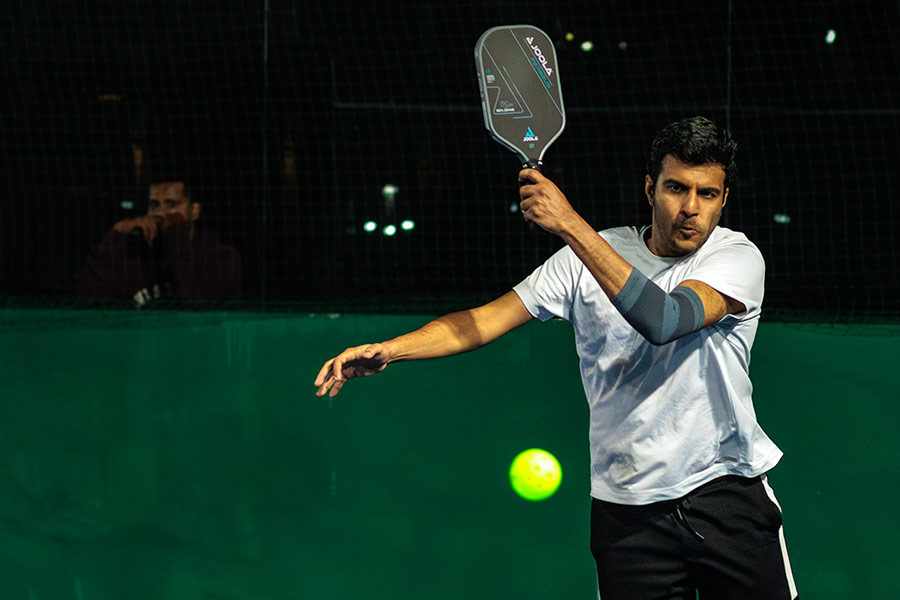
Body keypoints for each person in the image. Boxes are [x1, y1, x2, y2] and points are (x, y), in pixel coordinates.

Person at [313, 116, 798, 599]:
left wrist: (568, 223)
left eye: (706, 193)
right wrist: (392, 351)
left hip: (725, 495)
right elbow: (482, 322)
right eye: (675, 188)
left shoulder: (735, 257)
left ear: (724, 199)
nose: (690, 208)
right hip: (627, 513)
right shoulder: (581, 261)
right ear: (650, 188)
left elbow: (665, 320)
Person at [76, 176, 242, 305]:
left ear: (195, 211)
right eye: (154, 205)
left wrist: (175, 231)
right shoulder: (136, 253)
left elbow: (194, 297)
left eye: (171, 204)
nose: (161, 213)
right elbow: (89, 294)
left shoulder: (221, 256)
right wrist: (114, 238)